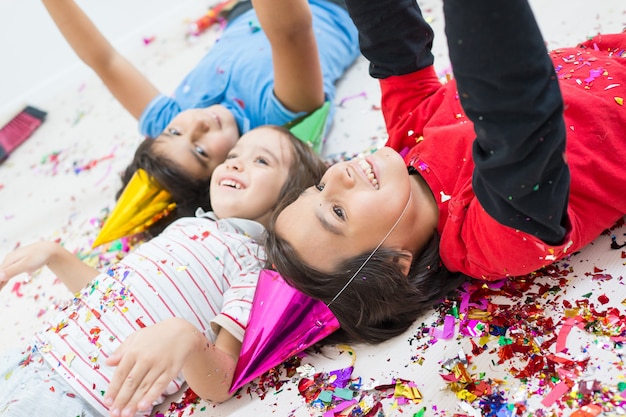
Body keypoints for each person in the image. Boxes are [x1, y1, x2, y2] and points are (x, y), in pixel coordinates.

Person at [265, 0, 626, 345]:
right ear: (394, 264)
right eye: (337, 212)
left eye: (318, 186)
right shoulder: (489, 242)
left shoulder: (407, 138)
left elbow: (390, 35)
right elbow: (514, 113)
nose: (339, 175)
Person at [0, 125, 327, 417]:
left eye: (262, 161)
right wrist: (55, 256)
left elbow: (222, 382)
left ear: (290, 199)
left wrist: (186, 338)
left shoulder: (253, 268)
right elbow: (111, 296)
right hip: (28, 357)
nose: (235, 163)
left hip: (81, 398)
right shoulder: (184, 226)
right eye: (233, 154)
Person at [43, 0, 358, 221]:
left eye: (174, 131)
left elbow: (105, 61)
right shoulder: (275, 124)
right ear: (227, 169)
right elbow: (290, 31)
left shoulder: (175, 117)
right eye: (200, 151)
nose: (196, 125)